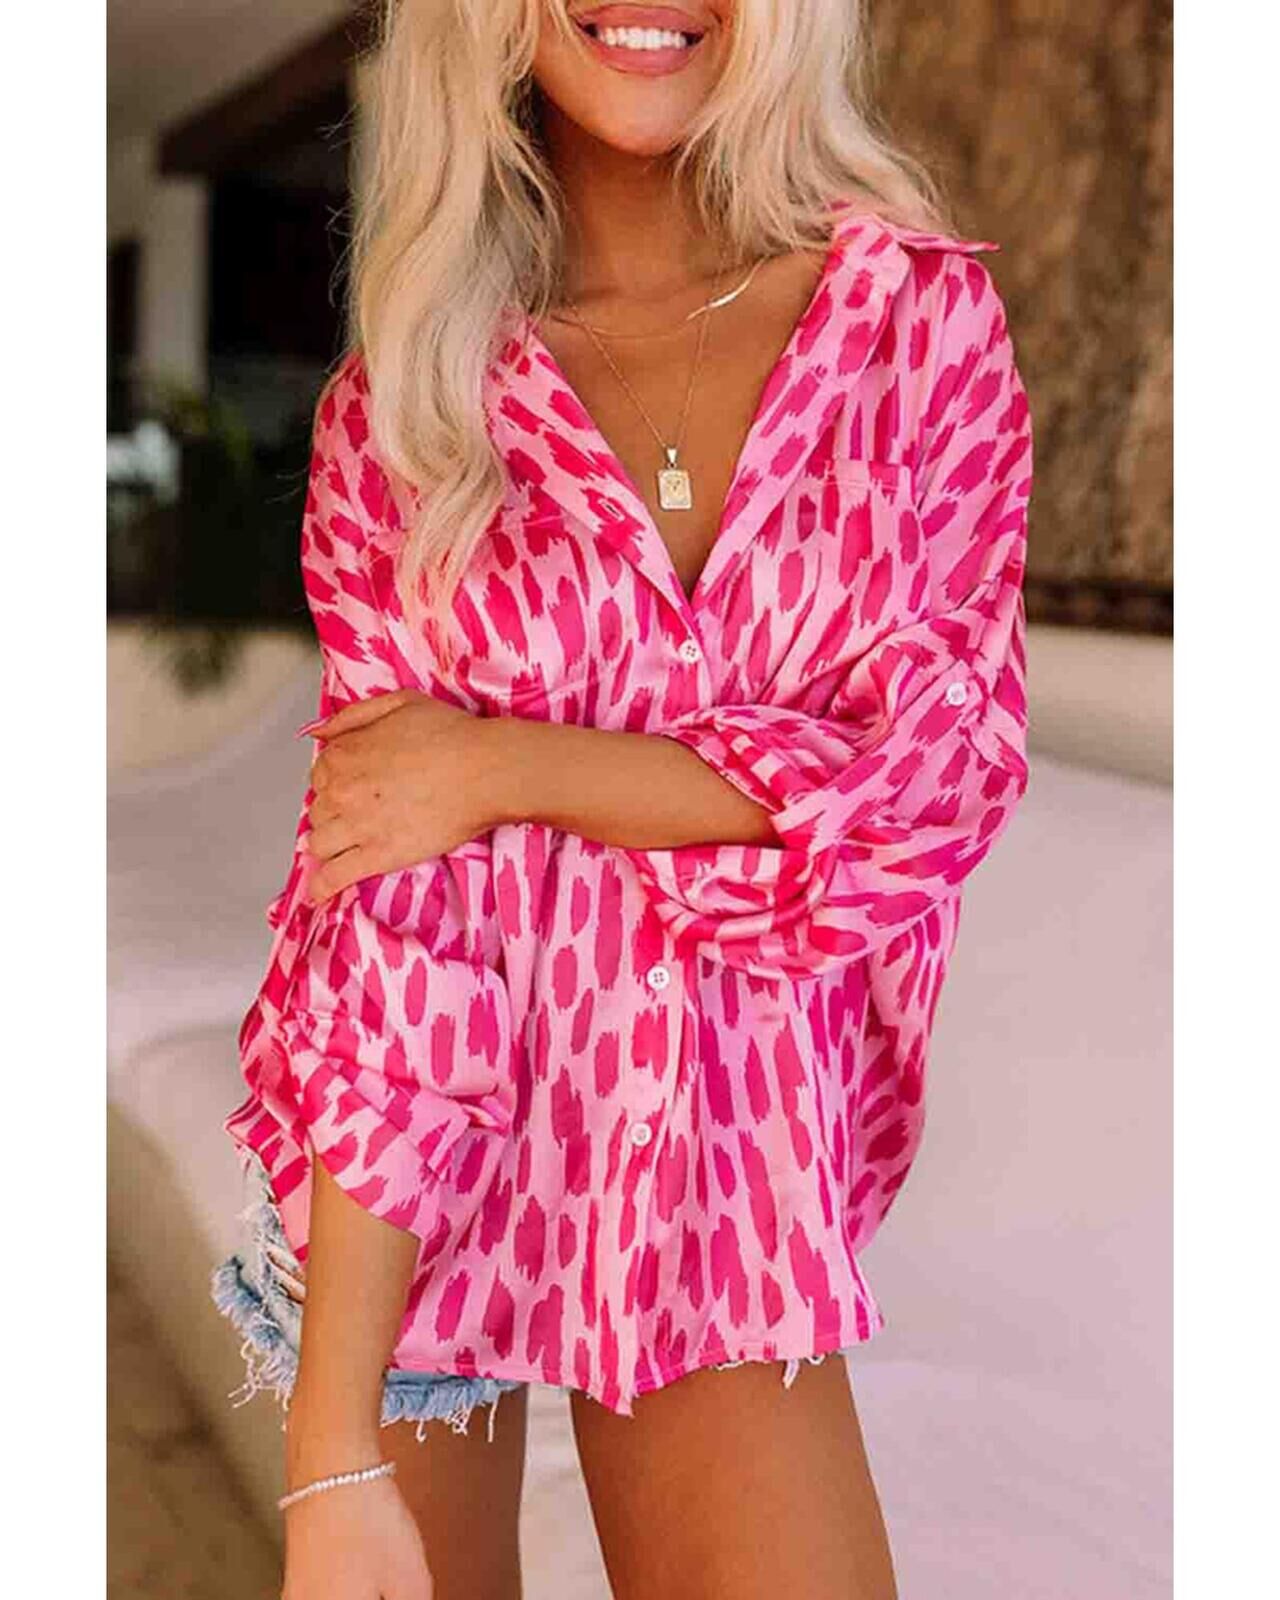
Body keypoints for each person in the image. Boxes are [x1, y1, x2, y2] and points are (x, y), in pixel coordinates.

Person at [210, 2, 1033, 1596]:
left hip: (726, 1180)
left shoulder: (911, 329)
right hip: (419, 1188)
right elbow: (390, 905)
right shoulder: (409, 404)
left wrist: (503, 767)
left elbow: (936, 780)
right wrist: (332, 1446)